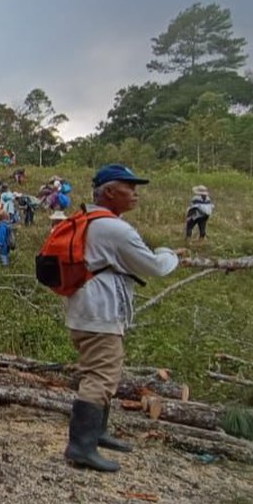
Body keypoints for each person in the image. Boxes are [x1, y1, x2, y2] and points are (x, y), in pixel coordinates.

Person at [62, 164, 183, 472]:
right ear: (110, 191)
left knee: (100, 372)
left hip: (85, 308)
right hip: (99, 312)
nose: (135, 193)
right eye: (130, 187)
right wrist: (172, 254)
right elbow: (154, 266)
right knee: (100, 377)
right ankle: (81, 447)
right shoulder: (114, 228)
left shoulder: (86, 220)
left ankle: (97, 434)